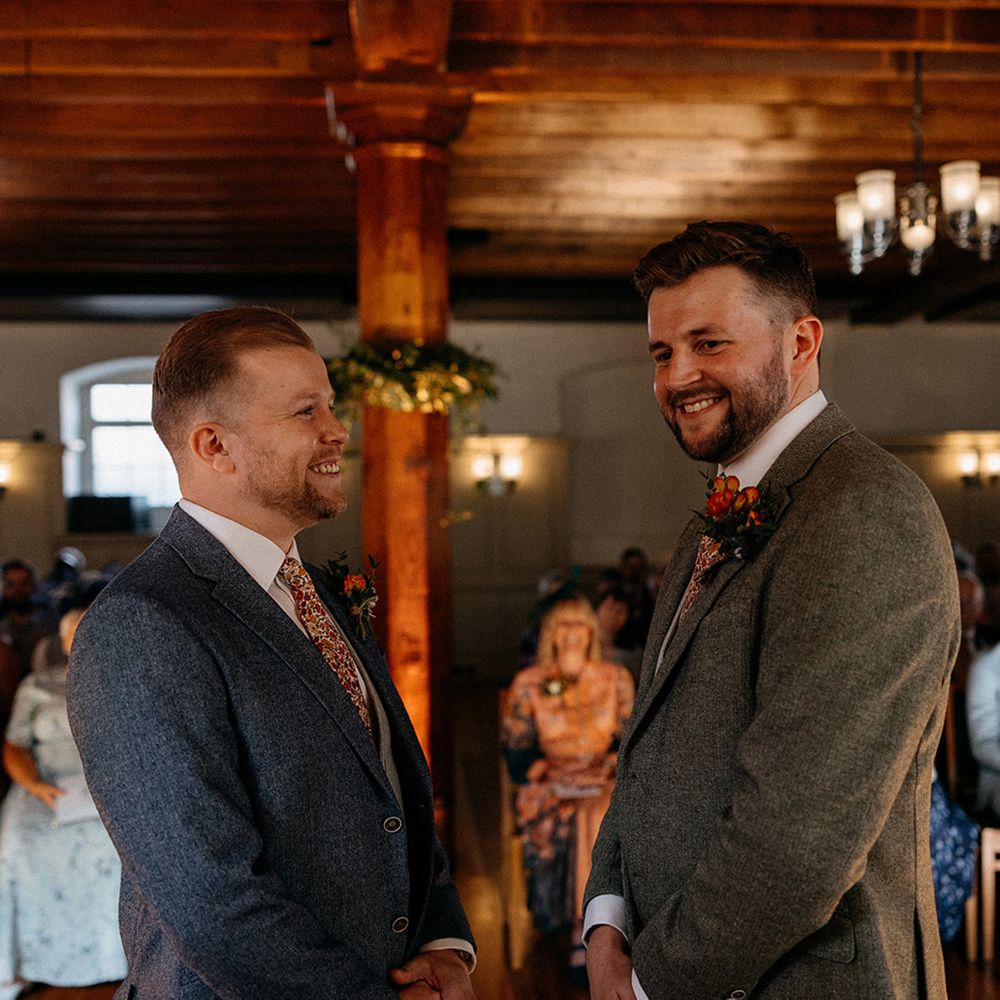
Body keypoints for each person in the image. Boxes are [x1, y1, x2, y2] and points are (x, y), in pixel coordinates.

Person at [584, 222, 959, 999]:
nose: (678, 374)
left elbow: (798, 837)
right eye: (662, 352)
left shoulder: (863, 509)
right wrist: (608, 914)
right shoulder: (711, 520)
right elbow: (646, 746)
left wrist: (650, 983)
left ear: (800, 341)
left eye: (709, 343)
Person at [66, 307, 476, 1000]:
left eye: (330, 405)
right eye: (304, 411)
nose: (336, 430)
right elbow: (213, 902)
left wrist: (442, 942)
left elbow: (389, 792)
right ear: (214, 446)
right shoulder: (145, 622)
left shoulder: (319, 592)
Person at [501, 596, 634, 981]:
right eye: (563, 625)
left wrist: (605, 767)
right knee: (580, 811)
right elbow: (517, 749)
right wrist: (547, 770)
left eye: (579, 624)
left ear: (591, 631)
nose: (572, 633)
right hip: (553, 781)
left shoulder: (615, 677)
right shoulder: (529, 682)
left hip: (603, 777)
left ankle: (586, 931)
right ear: (550, 634)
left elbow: (631, 742)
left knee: (596, 809)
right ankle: (590, 931)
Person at [1, 607, 127, 998]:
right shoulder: (39, 684)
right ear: (64, 641)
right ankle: (20, 963)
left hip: (107, 786)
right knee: (17, 843)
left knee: (121, 847)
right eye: (76, 633)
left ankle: (116, 958)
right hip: (48, 784)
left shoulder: (123, 681)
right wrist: (36, 786)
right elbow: (14, 745)